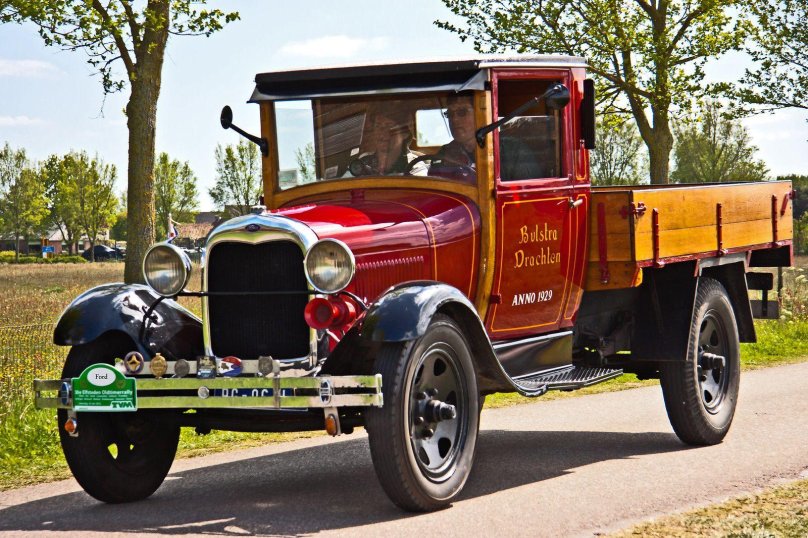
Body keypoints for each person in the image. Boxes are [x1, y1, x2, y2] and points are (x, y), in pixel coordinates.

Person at [434, 94, 543, 181]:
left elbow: (528, 195)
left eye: (462, 112)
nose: (454, 120)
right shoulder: (445, 153)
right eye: (450, 114)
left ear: (480, 114)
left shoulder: (514, 151)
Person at [347, 103, 427, 176]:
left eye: (389, 127)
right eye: (378, 126)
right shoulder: (363, 161)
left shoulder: (415, 166)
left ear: (404, 133)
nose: (382, 134)